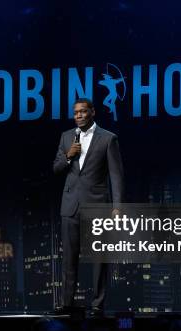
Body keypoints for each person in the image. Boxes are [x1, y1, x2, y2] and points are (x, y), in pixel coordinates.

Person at [52, 98, 125, 317]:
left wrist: (117, 206)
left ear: (92, 112)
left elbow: (116, 175)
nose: (79, 116)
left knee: (99, 258)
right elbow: (56, 168)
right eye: (76, 113)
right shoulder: (66, 137)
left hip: (97, 204)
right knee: (69, 258)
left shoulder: (108, 139)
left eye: (83, 111)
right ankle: (67, 304)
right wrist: (68, 156)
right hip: (70, 205)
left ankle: (97, 304)